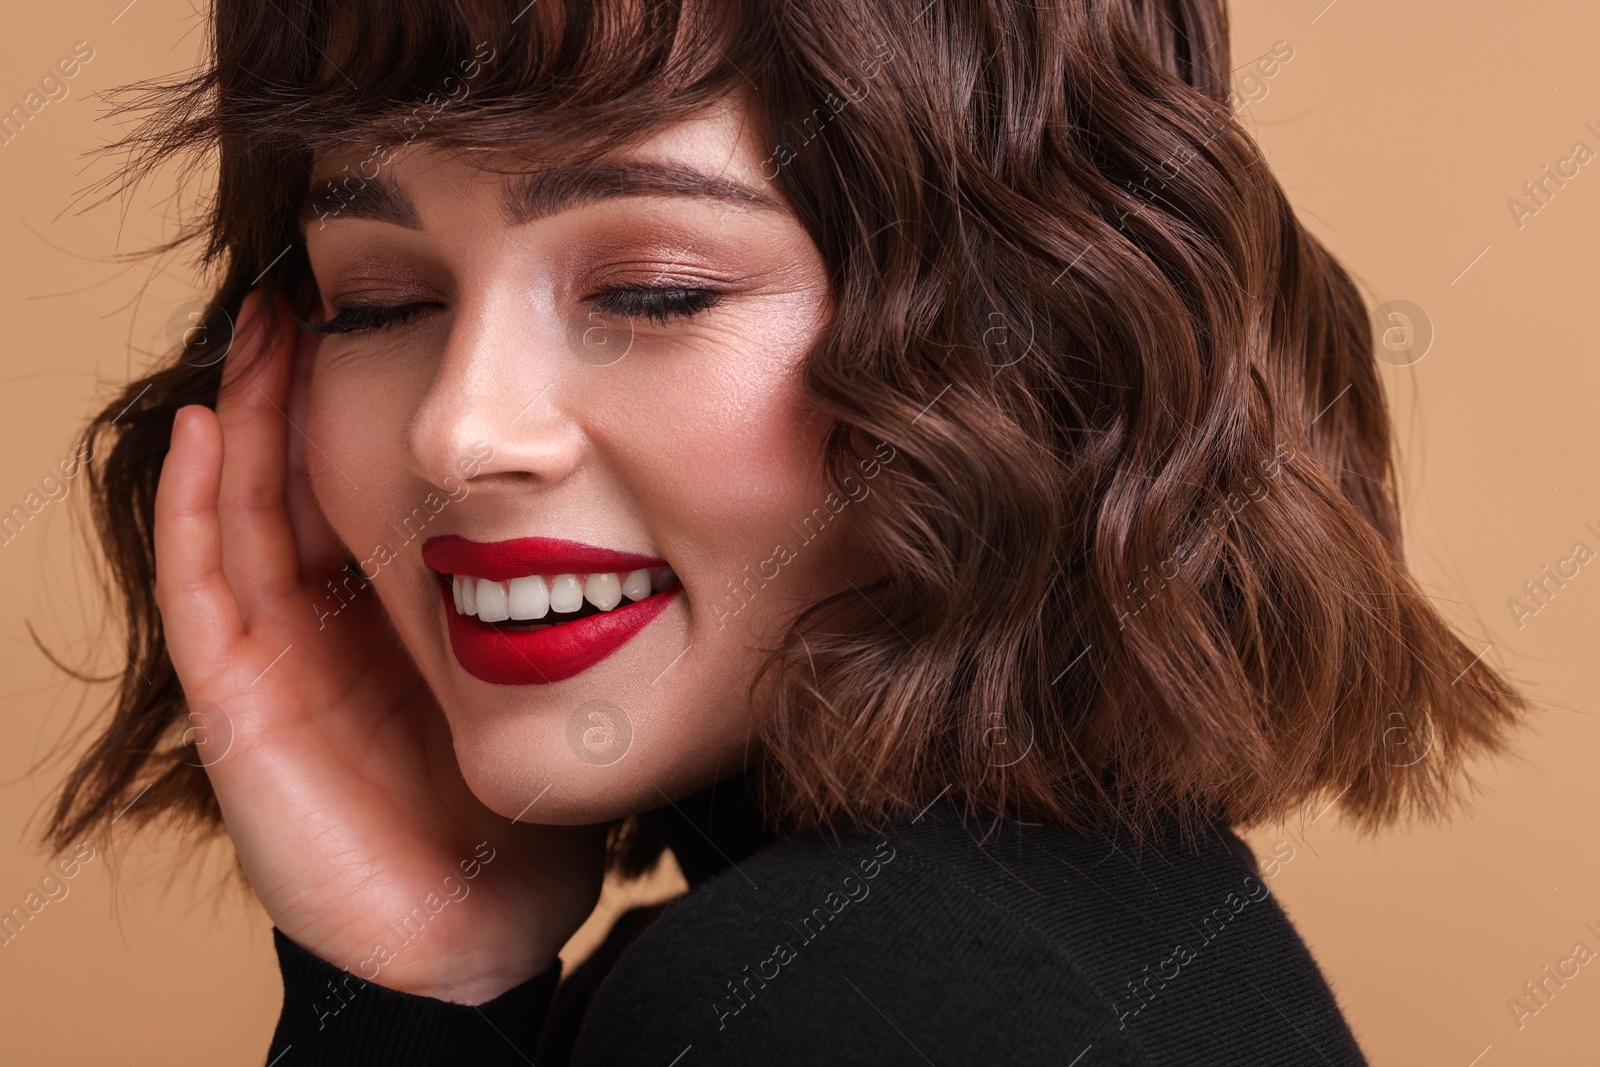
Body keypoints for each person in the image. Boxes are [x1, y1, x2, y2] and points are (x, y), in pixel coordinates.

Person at [45, 0, 1526, 1063]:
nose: (459, 431)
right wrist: (409, 983)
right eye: (379, 301)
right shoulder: (1036, 935)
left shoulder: (850, 994)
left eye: (654, 290)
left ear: (1024, 334)